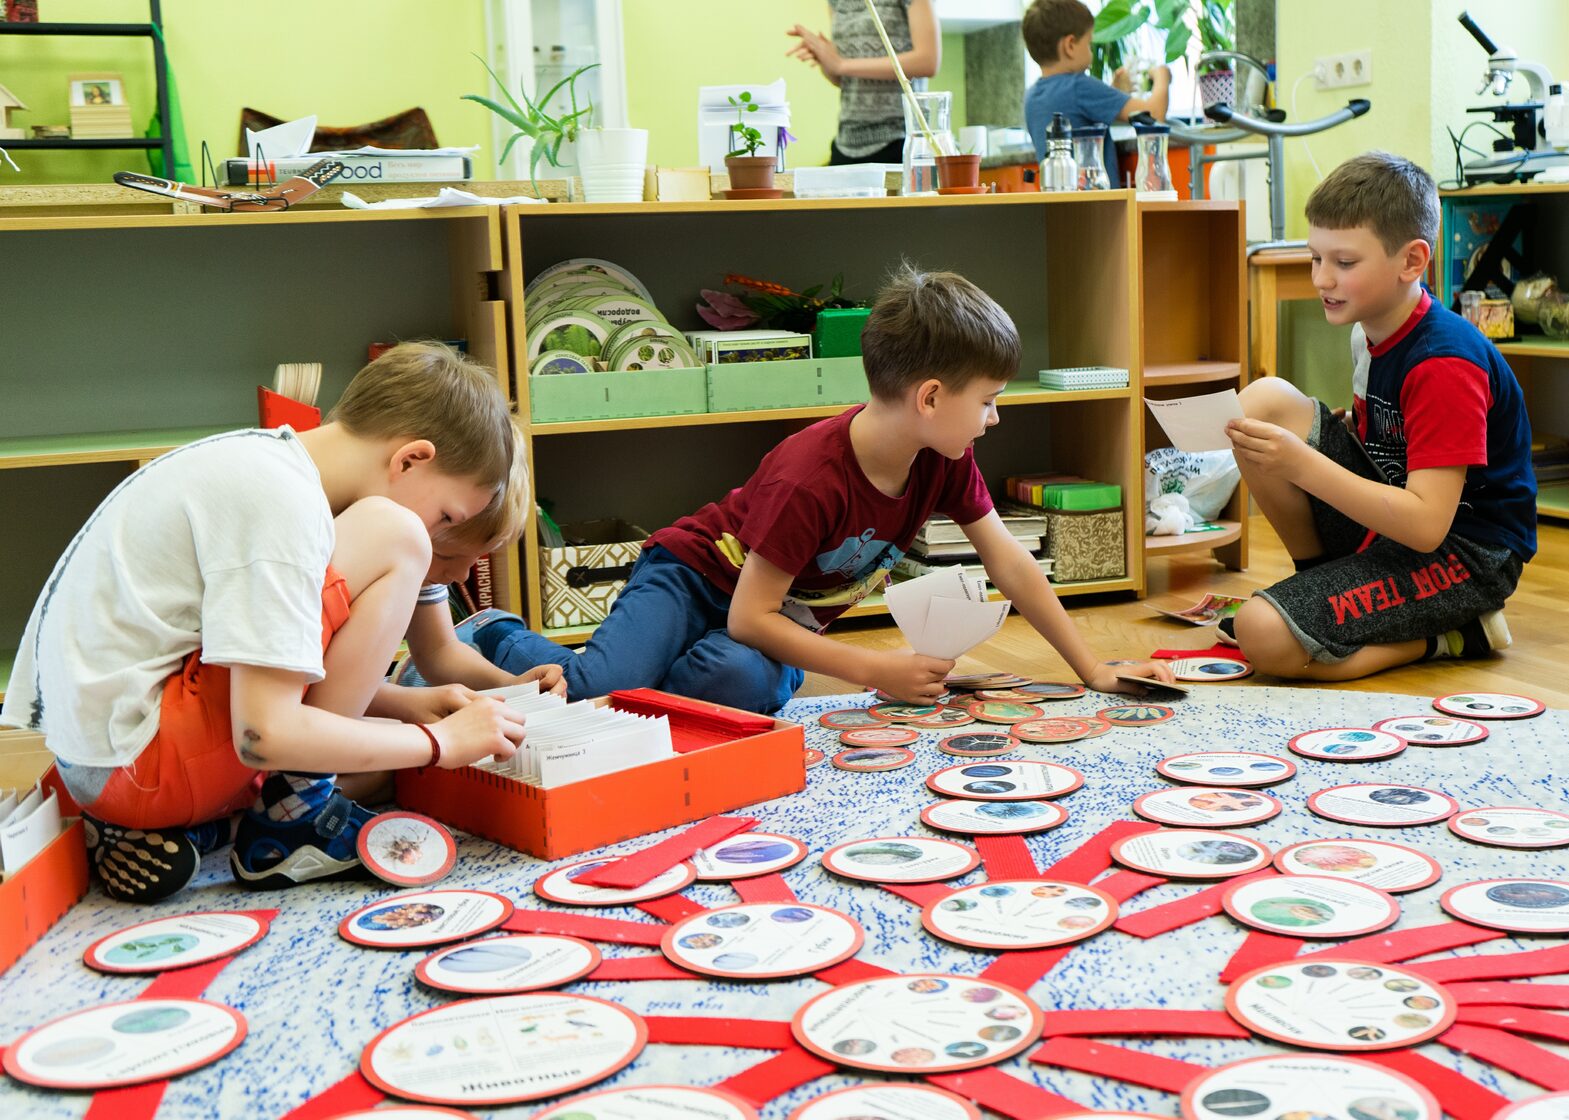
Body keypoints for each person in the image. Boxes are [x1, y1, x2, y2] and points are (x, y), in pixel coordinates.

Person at [463, 266, 1175, 713]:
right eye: (988, 400)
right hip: (692, 578)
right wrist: (875, 669)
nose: (995, 416)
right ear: (930, 397)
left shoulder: (944, 457)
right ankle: (496, 638)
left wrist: (1090, 670)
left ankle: (654, 686)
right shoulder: (812, 475)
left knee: (736, 682)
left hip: (770, 615)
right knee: (593, 691)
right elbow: (748, 616)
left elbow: (1011, 563)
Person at [0, 343, 527, 902]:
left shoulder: (262, 463)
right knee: (395, 537)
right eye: (446, 515)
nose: (439, 536)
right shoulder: (283, 504)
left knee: (376, 761)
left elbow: (253, 656)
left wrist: (401, 705)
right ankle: (292, 818)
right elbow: (262, 735)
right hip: (139, 764)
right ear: (409, 459)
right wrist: (437, 741)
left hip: (105, 766)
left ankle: (194, 827)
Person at [1222, 151, 1537, 681]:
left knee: (1262, 634)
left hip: (1466, 554)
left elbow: (1425, 527)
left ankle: (1449, 637)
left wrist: (1300, 463)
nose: (1322, 278)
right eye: (1314, 257)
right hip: (1399, 523)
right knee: (1265, 402)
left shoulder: (1443, 365)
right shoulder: (1367, 333)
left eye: (1344, 263)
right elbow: (1383, 447)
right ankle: (1320, 579)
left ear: (1412, 262)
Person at [378, 419, 567, 708]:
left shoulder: (423, 542)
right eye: (447, 556)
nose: (461, 575)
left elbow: (438, 650)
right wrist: (408, 705)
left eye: (476, 559)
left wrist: (510, 684)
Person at [1021, 0, 1170, 190]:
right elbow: (1154, 114)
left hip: (1060, 207)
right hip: (1099, 206)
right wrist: (1162, 76)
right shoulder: (1079, 86)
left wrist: (1115, 93)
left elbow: (1079, 113)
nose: (1091, 51)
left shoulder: (1032, 97)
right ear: (1070, 45)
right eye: (1089, 43)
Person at [787, 0, 941, 166]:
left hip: (901, 141)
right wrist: (825, 58)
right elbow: (846, 80)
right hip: (846, 143)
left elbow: (928, 61)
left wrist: (841, 65)